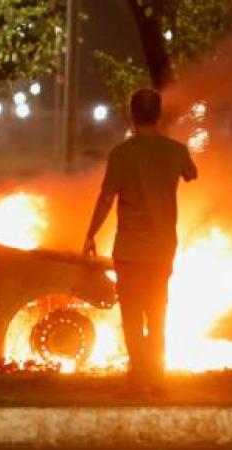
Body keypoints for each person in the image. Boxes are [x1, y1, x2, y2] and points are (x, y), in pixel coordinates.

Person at [83, 88, 197, 395]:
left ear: (132, 115)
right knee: (157, 314)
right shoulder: (176, 150)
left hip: (130, 251)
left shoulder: (122, 154)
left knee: (132, 317)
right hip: (162, 250)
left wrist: (91, 233)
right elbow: (192, 174)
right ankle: (156, 379)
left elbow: (107, 199)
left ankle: (138, 381)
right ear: (158, 115)